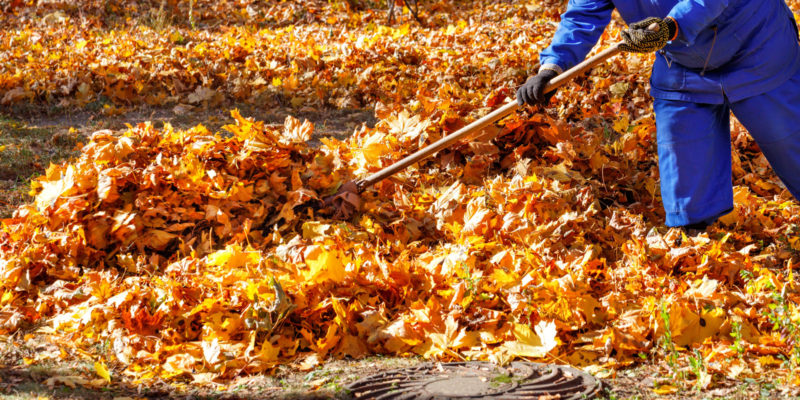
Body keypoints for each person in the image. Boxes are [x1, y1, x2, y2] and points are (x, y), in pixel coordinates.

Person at [516, 0, 800, 230]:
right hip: (681, 59)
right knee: (685, 161)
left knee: (790, 143)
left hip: (756, 44)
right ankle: (696, 243)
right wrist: (552, 67)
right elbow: (582, 14)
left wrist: (672, 26)